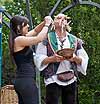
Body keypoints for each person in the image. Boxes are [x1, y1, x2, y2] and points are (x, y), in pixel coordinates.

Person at [34, 13, 89, 104]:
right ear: (53, 23)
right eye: (58, 18)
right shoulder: (46, 39)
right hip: (53, 78)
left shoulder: (74, 40)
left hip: (71, 78)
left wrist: (75, 58)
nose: (62, 20)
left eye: (64, 19)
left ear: (67, 23)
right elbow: (38, 57)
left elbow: (84, 59)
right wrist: (52, 59)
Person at [9, 15, 53, 104]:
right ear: (18, 27)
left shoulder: (19, 39)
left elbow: (36, 31)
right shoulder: (19, 40)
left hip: (22, 81)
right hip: (26, 81)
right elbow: (39, 39)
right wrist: (47, 25)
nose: (28, 26)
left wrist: (44, 22)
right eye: (25, 25)